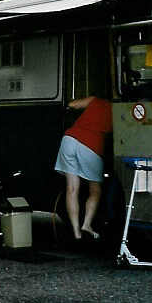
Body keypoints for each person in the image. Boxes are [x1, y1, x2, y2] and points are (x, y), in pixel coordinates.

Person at [54, 96, 113, 241]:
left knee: (72, 189)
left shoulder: (96, 100)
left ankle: (76, 232)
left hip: (69, 139)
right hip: (91, 145)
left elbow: (72, 104)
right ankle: (86, 225)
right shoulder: (119, 111)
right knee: (95, 190)